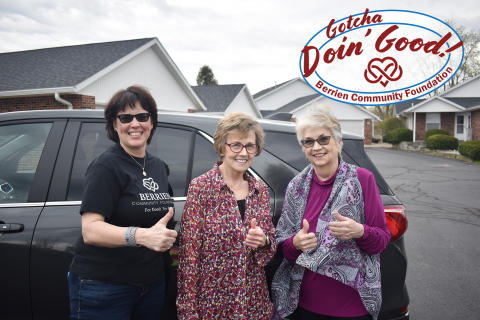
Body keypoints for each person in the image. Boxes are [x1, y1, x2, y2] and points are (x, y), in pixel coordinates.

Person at [271, 104, 391, 320]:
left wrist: (359, 231)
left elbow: (381, 240)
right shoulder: (296, 187)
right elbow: (284, 248)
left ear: (339, 143)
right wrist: (296, 243)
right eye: (309, 141)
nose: (316, 147)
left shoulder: (363, 179)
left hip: (352, 307)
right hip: (304, 305)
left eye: (323, 139)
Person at [68, 85, 177, 319]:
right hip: (105, 285)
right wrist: (141, 236)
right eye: (125, 117)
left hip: (151, 283)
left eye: (142, 116)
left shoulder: (158, 165)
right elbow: (90, 230)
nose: (135, 123)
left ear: (152, 122)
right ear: (115, 125)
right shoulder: (106, 166)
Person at [176, 112, 277, 319]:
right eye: (236, 145)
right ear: (222, 147)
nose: (243, 152)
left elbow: (269, 250)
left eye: (250, 145)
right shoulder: (201, 188)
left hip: (253, 304)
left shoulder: (260, 191)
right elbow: (189, 257)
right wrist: (188, 312)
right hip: (213, 304)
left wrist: (264, 241)